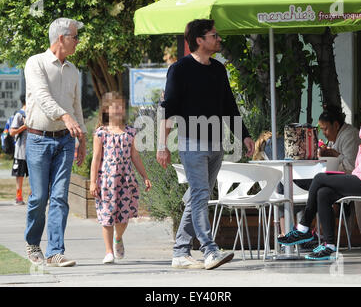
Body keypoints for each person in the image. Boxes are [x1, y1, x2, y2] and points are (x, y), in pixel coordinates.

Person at [157, 19, 254, 270]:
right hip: (192, 142)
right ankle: (209, 250)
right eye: (214, 35)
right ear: (199, 40)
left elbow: (229, 106)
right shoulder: (179, 69)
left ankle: (180, 252)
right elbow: (169, 109)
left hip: (215, 143)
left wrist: (244, 134)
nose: (219, 39)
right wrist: (162, 145)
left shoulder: (218, 69)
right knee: (200, 194)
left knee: (197, 197)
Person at [278, 97, 361, 260]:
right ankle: (329, 245)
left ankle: (303, 228)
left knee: (319, 178)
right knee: (323, 193)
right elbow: (360, 163)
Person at [24, 18, 87, 267]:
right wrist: (65, 116)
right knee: (39, 197)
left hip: (65, 141)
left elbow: (77, 107)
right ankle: (32, 243)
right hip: (38, 139)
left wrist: (81, 138)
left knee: (60, 197)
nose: (78, 41)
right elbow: (42, 97)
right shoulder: (35, 63)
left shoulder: (73, 70)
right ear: (61, 38)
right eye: (74, 37)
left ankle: (55, 251)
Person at [90, 91, 152, 264]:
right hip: (106, 182)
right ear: (106, 110)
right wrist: (93, 182)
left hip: (126, 180)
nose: (119, 110)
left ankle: (118, 237)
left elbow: (136, 157)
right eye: (115, 106)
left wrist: (145, 176)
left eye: (121, 106)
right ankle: (109, 251)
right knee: (107, 216)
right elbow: (95, 159)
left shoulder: (131, 132)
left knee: (123, 217)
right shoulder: (100, 134)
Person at [318, 105, 361, 174]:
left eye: (325, 129)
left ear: (336, 125)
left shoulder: (350, 135)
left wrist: (334, 154)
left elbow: (351, 167)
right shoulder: (335, 136)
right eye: (322, 129)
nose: (323, 133)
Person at [10, 93, 28, 205]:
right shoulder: (19, 115)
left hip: (33, 150)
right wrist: (24, 126)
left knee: (34, 174)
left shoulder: (33, 113)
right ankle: (19, 196)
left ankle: (33, 196)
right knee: (19, 175)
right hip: (20, 150)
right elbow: (12, 132)